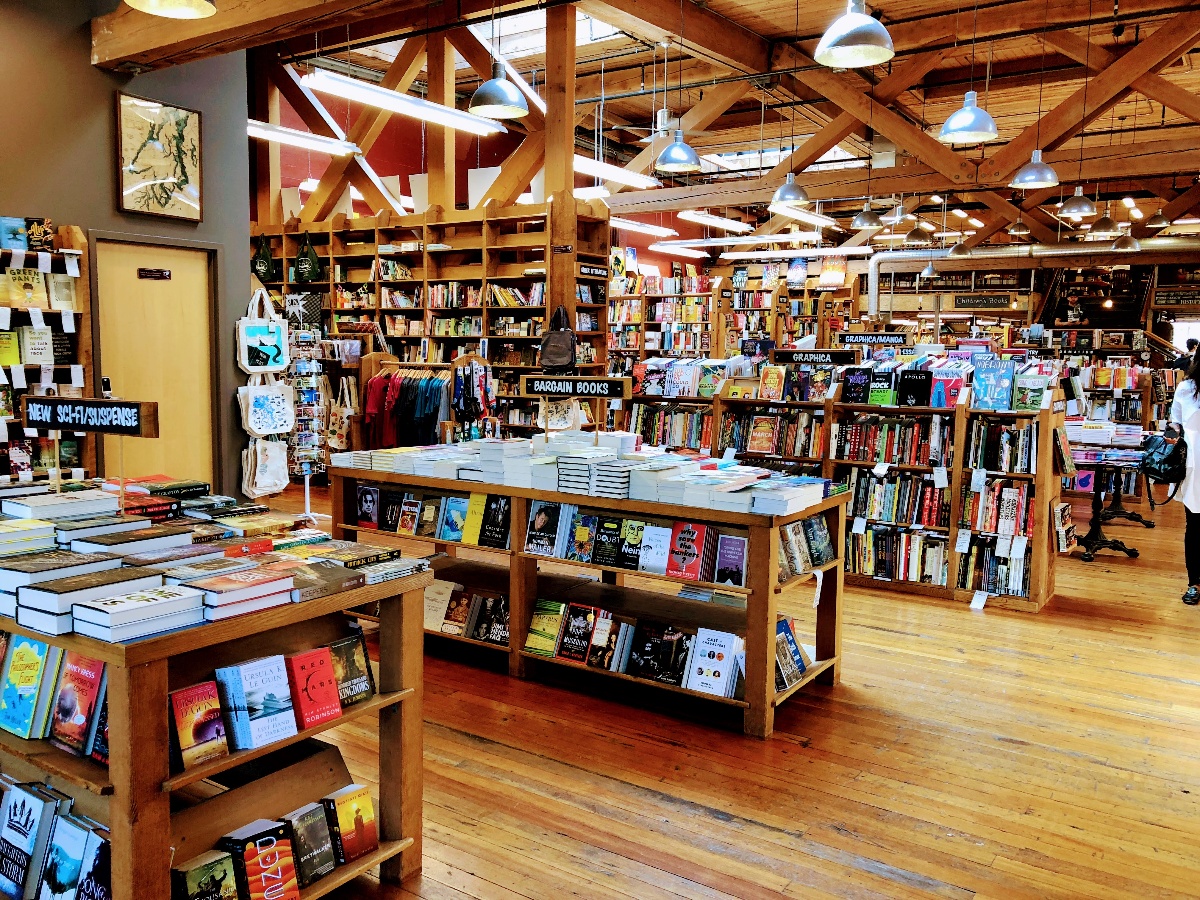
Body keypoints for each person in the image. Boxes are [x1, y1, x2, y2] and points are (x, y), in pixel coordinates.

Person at [1170, 346, 1200, 604]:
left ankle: (1194, 583)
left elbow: (1174, 425)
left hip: (1193, 467)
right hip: (1194, 466)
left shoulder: (1185, 389)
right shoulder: (1186, 389)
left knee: (1195, 526)